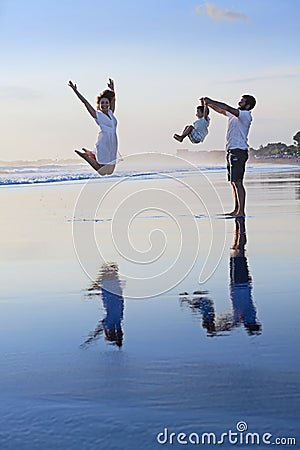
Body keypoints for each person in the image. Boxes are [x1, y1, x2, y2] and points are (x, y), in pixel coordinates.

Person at [203, 94, 256, 217]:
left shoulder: (245, 115)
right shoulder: (235, 115)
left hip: (239, 150)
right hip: (231, 150)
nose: (239, 102)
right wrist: (209, 104)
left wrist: (211, 100)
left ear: (247, 105)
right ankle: (236, 209)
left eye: (242, 102)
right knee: (233, 182)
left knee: (238, 182)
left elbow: (227, 107)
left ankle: (241, 211)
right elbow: (222, 110)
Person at [68, 78, 118, 176]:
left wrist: (112, 89)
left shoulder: (111, 113)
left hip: (113, 143)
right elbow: (85, 102)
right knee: (102, 172)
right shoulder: (97, 115)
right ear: (99, 105)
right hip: (104, 143)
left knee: (110, 171)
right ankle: (87, 156)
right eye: (102, 103)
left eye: (106, 103)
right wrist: (75, 91)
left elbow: (113, 100)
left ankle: (91, 154)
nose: (104, 105)